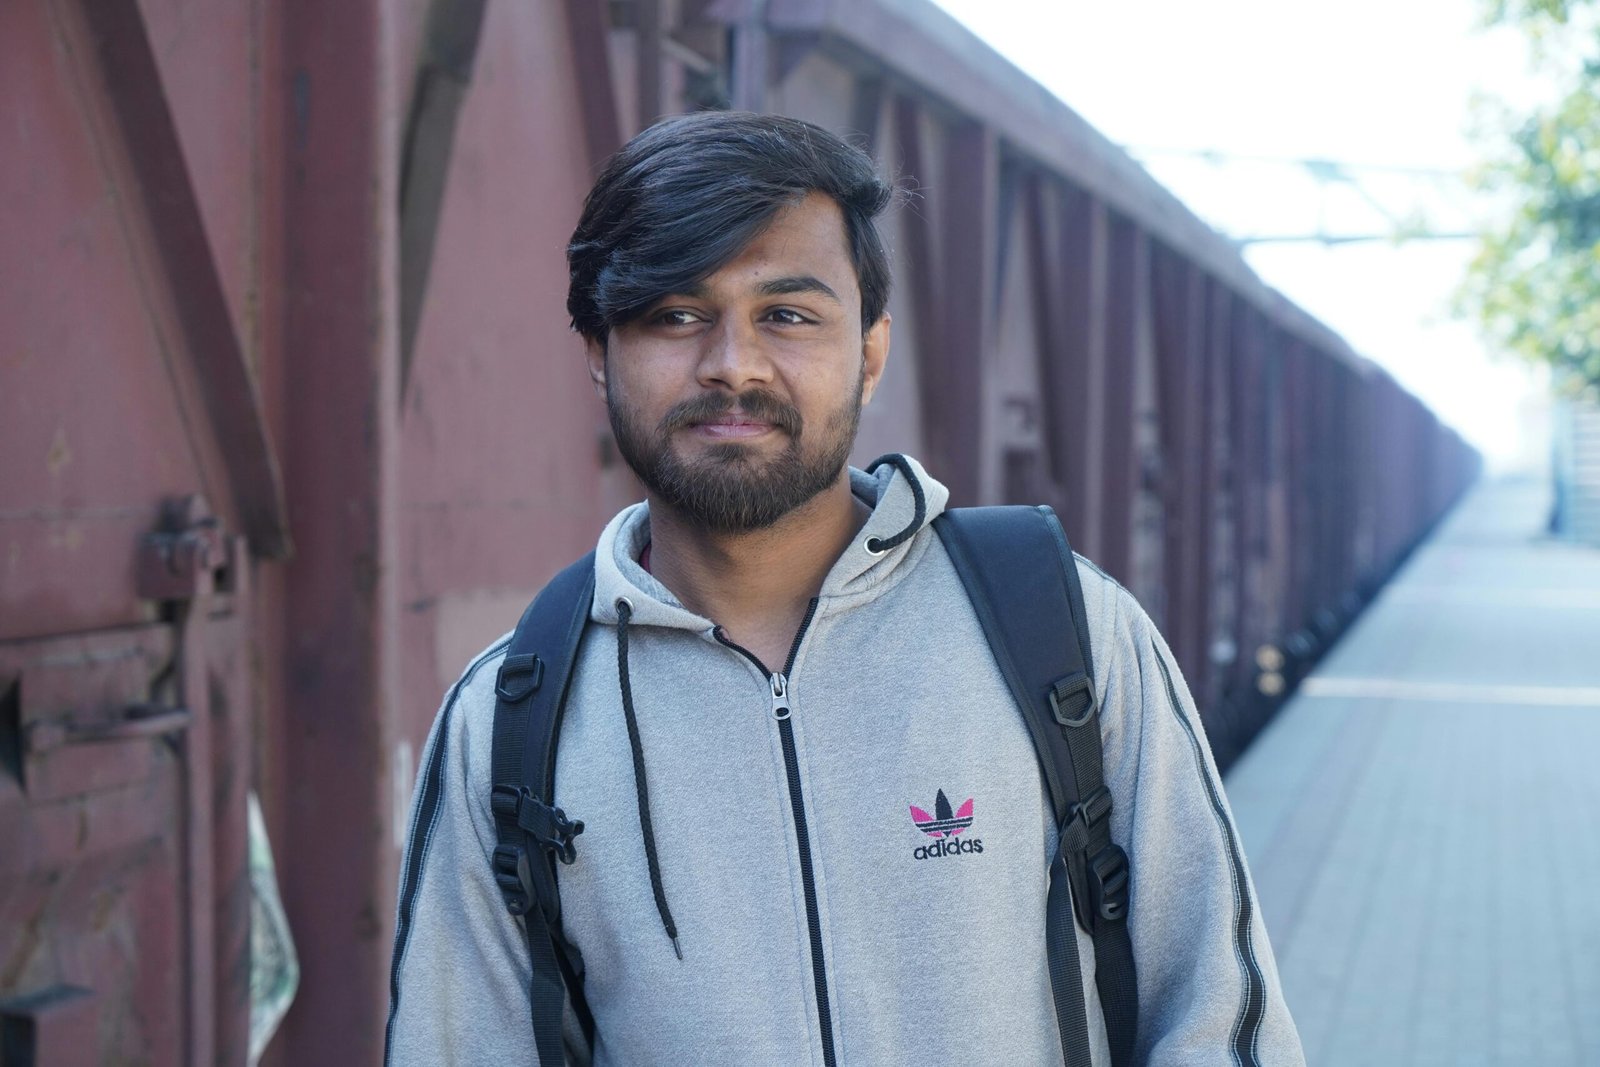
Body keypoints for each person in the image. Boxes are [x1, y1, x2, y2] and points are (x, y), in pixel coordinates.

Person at [385, 110, 1304, 1066]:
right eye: (675, 315)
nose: (732, 362)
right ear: (597, 355)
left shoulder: (1061, 629)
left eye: (786, 314)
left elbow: (1222, 1019)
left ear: (869, 352)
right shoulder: (510, 719)